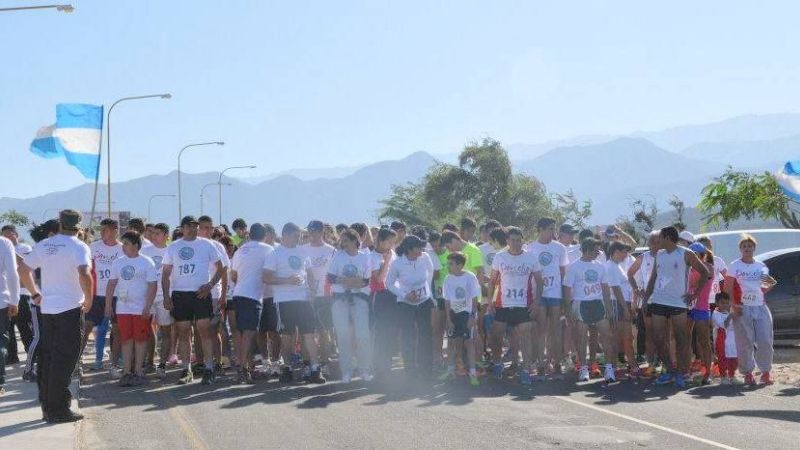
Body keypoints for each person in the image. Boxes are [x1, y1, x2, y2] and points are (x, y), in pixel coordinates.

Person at [18, 209, 92, 423]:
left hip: (48, 308)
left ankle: (49, 405)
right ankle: (58, 408)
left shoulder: (45, 244)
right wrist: (88, 299)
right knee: (65, 359)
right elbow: (84, 273)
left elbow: (23, 268)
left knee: (48, 358)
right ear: (79, 226)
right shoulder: (79, 246)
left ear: (60, 224)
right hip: (69, 308)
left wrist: (34, 293)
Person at [162, 216, 224, 386]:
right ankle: (186, 369)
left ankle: (209, 369)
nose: (192, 228)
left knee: (204, 331)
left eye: (195, 226)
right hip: (181, 295)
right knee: (184, 332)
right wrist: (166, 296)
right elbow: (166, 274)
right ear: (182, 228)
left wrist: (210, 285)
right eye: (188, 226)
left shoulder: (207, 244)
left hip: (201, 294)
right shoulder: (173, 247)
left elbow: (221, 268)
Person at [645, 226, 709, 388]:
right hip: (658, 301)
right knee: (659, 339)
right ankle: (670, 370)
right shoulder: (659, 254)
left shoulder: (686, 253)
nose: (657, 241)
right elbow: (653, 278)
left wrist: (694, 295)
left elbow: (705, 272)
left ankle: (681, 372)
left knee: (682, 339)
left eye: (660, 238)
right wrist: (646, 300)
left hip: (678, 303)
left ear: (667, 237)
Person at [264, 222, 325, 384]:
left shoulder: (303, 251)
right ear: (285, 235)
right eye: (295, 236)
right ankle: (287, 368)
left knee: (309, 335)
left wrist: (312, 292)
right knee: (287, 337)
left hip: (304, 299)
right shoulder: (274, 254)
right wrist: (287, 280)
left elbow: (310, 273)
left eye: (299, 236)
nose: (298, 239)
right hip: (284, 300)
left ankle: (313, 368)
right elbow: (266, 277)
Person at [487, 226, 543, 385]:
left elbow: (539, 281)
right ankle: (498, 363)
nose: (516, 243)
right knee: (496, 335)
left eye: (519, 240)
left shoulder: (531, 258)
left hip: (523, 304)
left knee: (525, 336)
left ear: (522, 241)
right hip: (503, 304)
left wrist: (537, 303)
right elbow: (492, 281)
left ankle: (525, 370)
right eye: (513, 240)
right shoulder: (500, 256)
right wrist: (490, 301)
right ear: (507, 241)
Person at [105, 231, 157, 386]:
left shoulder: (146, 262)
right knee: (126, 339)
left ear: (135, 245)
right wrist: (108, 305)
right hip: (123, 308)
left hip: (141, 308)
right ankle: (127, 371)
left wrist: (147, 306)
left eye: (126, 243)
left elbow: (153, 286)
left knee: (140, 340)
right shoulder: (118, 262)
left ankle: (138, 371)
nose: (123, 246)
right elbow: (111, 284)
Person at [725, 234, 777, 385]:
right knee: (745, 341)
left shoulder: (760, 266)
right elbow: (727, 288)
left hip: (760, 307)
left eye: (750, 246)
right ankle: (748, 373)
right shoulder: (735, 266)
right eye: (744, 246)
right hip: (742, 308)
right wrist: (734, 306)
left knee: (765, 340)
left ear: (754, 248)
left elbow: (769, 283)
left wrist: (761, 291)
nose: (747, 248)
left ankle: (766, 372)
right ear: (740, 249)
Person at [563, 238, 617, 383]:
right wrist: (568, 311)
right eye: (595, 250)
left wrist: (610, 309)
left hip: (598, 304)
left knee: (606, 336)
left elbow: (605, 289)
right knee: (582, 338)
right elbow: (567, 290)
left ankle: (609, 369)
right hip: (581, 304)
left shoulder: (600, 266)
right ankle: (583, 369)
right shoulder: (574, 267)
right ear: (587, 250)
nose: (598, 252)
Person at [386, 235, 436, 379]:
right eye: (418, 247)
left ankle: (427, 369)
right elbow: (389, 283)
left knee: (425, 335)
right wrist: (404, 294)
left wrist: (427, 294)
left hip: (424, 301)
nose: (422, 250)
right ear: (409, 249)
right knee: (408, 336)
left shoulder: (425, 257)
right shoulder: (397, 263)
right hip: (405, 303)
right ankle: (410, 370)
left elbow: (429, 276)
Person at [327, 229, 373, 382]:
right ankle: (346, 371)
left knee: (363, 336)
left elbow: (366, 281)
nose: (344, 243)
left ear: (355, 240)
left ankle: (364, 370)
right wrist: (350, 281)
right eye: (342, 241)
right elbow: (331, 277)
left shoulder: (364, 257)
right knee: (344, 337)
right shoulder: (337, 256)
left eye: (346, 240)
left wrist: (347, 281)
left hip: (359, 299)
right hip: (340, 299)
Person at [230, 223, 273, 384]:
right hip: (253, 296)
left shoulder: (241, 250)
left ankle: (247, 368)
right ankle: (243, 369)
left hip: (238, 295)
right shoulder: (268, 249)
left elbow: (233, 276)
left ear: (250, 234)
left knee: (243, 334)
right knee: (248, 334)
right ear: (265, 235)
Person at [527, 218, 569, 380]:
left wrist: (566, 299)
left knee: (556, 331)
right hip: (539, 295)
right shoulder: (530, 248)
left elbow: (563, 273)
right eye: (551, 229)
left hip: (555, 294)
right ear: (541, 229)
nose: (554, 232)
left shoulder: (559, 248)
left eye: (554, 229)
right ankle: (540, 364)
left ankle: (556, 363)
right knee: (541, 331)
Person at [439, 252, 481, 386]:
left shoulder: (470, 277)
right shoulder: (447, 278)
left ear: (460, 265)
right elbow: (447, 300)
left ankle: (473, 373)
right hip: (453, 314)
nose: (448, 266)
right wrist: (448, 319)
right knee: (451, 343)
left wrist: (472, 317)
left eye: (451, 264)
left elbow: (475, 299)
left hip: (466, 314)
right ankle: (451, 370)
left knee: (469, 343)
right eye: (448, 263)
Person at [88, 219, 122, 376]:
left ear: (115, 230)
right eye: (100, 230)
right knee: (92, 329)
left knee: (117, 330)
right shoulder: (93, 247)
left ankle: (116, 362)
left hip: (117, 296)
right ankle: (96, 360)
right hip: (97, 295)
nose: (102, 233)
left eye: (105, 230)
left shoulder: (123, 249)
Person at [197, 216, 230, 374]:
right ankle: (200, 363)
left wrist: (223, 295)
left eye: (210, 228)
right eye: (204, 227)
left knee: (214, 330)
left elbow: (224, 272)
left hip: (214, 293)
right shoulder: (191, 246)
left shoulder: (218, 246)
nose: (208, 231)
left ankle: (218, 362)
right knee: (198, 331)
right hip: (195, 295)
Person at [141, 223, 173, 377]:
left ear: (166, 235)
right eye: (152, 233)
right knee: (147, 329)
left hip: (165, 296)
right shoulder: (144, 250)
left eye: (158, 233)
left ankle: (162, 364)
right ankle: (149, 362)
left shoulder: (172, 250)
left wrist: (169, 296)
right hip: (147, 295)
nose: (153, 236)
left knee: (166, 330)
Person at [302, 220, 336, 368]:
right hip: (306, 296)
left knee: (324, 330)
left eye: (315, 231)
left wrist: (329, 292)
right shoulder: (302, 249)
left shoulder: (331, 250)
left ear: (322, 231)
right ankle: (308, 363)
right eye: (310, 231)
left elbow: (334, 273)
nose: (312, 234)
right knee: (307, 332)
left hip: (325, 295)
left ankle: (325, 361)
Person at [628, 231, 659, 374]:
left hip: (665, 301)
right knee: (650, 334)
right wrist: (636, 289)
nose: (656, 245)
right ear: (650, 243)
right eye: (654, 242)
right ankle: (651, 363)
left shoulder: (666, 256)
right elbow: (630, 273)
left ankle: (664, 363)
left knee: (665, 334)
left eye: (659, 241)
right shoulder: (643, 258)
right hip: (648, 301)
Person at [370, 227, 398, 381]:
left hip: (393, 295)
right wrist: (386, 262)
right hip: (379, 296)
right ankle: (379, 368)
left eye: (394, 242)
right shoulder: (373, 256)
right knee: (380, 332)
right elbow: (379, 279)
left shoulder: (393, 253)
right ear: (381, 240)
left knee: (391, 332)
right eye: (389, 242)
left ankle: (387, 366)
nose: (392, 245)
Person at [2, 225, 32, 367]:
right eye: (4, 235)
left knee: (24, 326)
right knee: (9, 330)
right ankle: (12, 357)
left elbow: (26, 265)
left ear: (16, 234)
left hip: (23, 294)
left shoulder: (24, 248)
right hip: (8, 295)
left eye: (9, 234)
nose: (7, 238)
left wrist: (10, 252)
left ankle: (32, 355)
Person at [606, 241, 636, 376]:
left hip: (623, 304)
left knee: (624, 337)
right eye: (624, 252)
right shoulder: (611, 267)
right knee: (623, 337)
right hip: (618, 304)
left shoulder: (616, 266)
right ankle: (630, 366)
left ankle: (616, 366)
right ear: (616, 252)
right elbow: (616, 289)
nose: (626, 255)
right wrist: (625, 308)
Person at [687, 242, 714, 384]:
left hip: (702, 307)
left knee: (703, 340)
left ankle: (708, 372)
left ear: (702, 255)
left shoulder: (708, 267)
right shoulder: (688, 269)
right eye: (691, 255)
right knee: (684, 338)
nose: (693, 258)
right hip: (687, 307)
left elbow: (697, 282)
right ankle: (685, 369)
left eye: (696, 255)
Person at [0, 233, 20, 396]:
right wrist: (15, 300)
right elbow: (12, 273)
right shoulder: (4, 243)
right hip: (1, 301)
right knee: (0, 341)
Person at [712, 292, 739, 384]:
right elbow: (724, 325)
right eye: (722, 303)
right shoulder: (715, 314)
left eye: (727, 303)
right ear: (717, 303)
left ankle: (732, 375)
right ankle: (723, 376)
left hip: (732, 339)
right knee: (722, 357)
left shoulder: (729, 313)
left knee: (733, 357)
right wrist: (731, 316)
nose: (725, 305)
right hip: (721, 338)